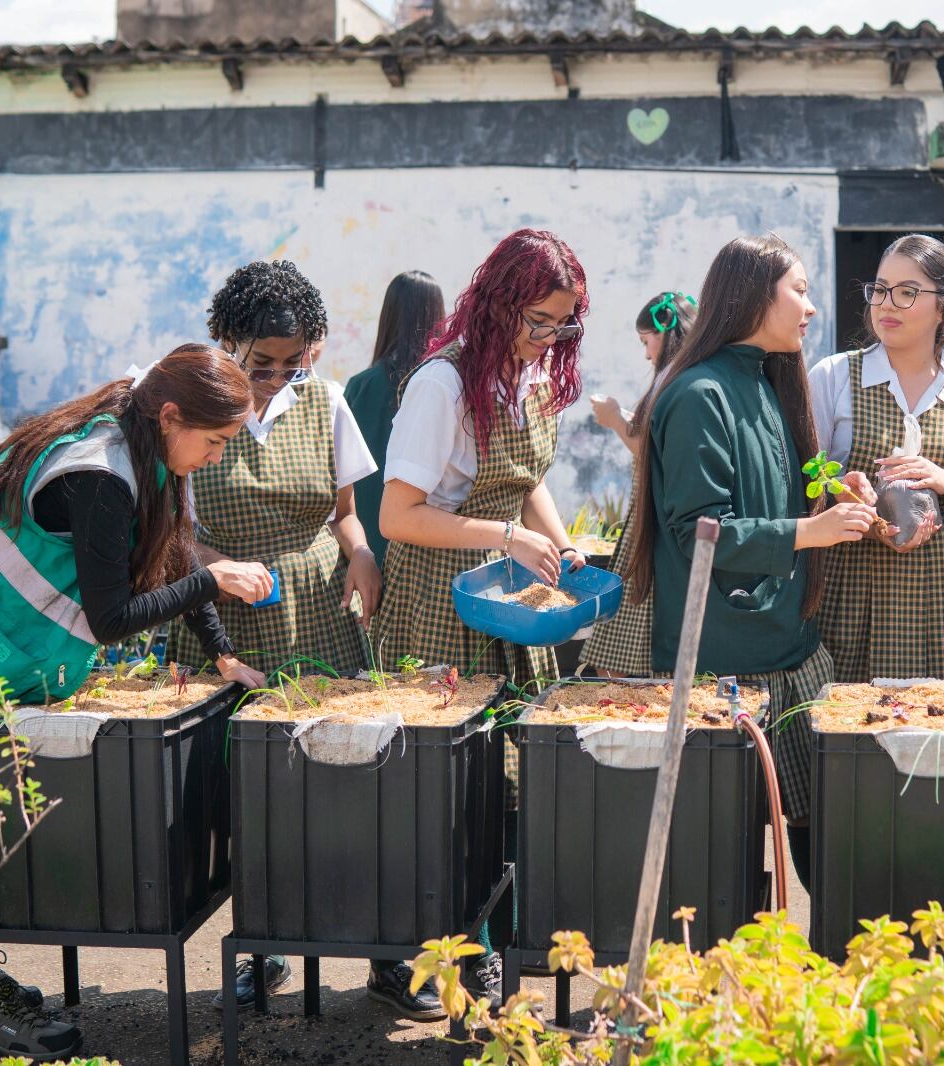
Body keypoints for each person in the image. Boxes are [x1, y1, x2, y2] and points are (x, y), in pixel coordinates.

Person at [0, 344, 269, 1059]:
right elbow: (110, 619)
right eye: (214, 442)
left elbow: (172, 544)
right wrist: (215, 584)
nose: (215, 457)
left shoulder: (146, 432)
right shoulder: (102, 472)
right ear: (173, 414)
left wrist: (220, 653)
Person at [372, 228, 590, 1008]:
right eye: (538, 321)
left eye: (562, 324)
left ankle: (481, 944)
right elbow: (399, 516)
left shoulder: (525, 377)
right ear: (497, 305)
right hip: (441, 600)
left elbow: (525, 480)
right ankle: (404, 959)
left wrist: (565, 553)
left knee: (500, 785)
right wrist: (503, 535)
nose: (547, 339)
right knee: (436, 789)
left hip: (507, 595)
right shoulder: (440, 383)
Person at [627, 234, 878, 889]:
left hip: (789, 650)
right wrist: (809, 531)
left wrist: (833, 486)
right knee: (724, 864)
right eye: (799, 289)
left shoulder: (764, 380)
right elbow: (700, 529)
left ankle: (819, 980)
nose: (812, 307)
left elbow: (781, 477)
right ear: (751, 295)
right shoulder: (697, 394)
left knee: (826, 843)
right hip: (722, 665)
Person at [166, 260, 381, 1011]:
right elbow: (174, 536)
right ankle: (258, 948)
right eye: (262, 363)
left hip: (315, 609)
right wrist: (219, 566)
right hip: (223, 614)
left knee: (333, 779)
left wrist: (360, 554)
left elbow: (344, 513)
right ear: (225, 340)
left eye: (296, 362)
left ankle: (371, 945)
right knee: (243, 788)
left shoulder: (324, 403)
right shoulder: (189, 405)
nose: (278, 378)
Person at [809, 233, 944, 684]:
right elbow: (804, 479)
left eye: (907, 292)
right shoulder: (835, 376)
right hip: (854, 584)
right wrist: (847, 493)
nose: (887, 305)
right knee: (848, 729)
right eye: (879, 290)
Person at [580, 290, 697, 677]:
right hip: (659, 514)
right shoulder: (689, 375)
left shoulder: (678, 378)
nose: (647, 353)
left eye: (647, 341)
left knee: (630, 632)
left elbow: (653, 454)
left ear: (666, 333)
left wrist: (615, 420)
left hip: (654, 516)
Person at [344, 270, 446, 561]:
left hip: (365, 539)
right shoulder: (440, 385)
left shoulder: (360, 385)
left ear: (388, 316)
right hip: (424, 539)